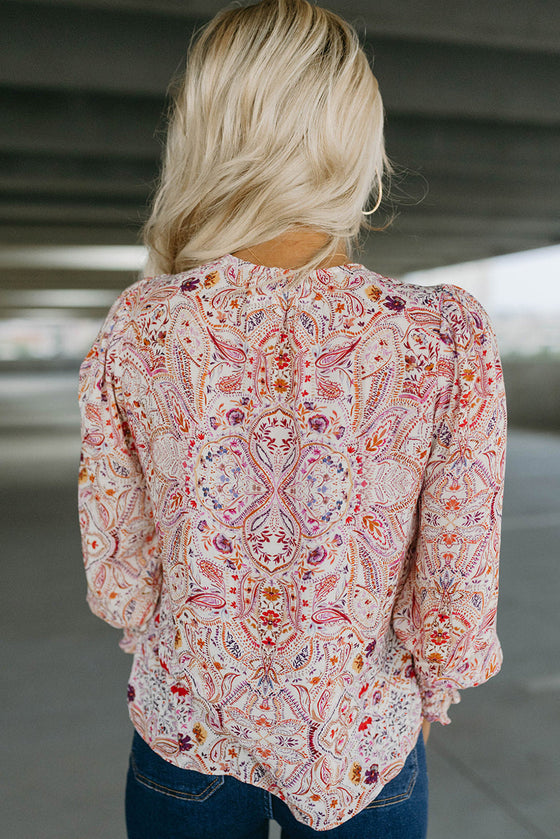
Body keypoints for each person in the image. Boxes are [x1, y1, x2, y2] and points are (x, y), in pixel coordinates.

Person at [77, 1, 507, 837]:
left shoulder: (140, 326)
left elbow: (122, 577)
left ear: (205, 132)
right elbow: (456, 585)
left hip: (188, 731)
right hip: (358, 744)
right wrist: (424, 690)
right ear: (356, 138)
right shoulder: (442, 333)